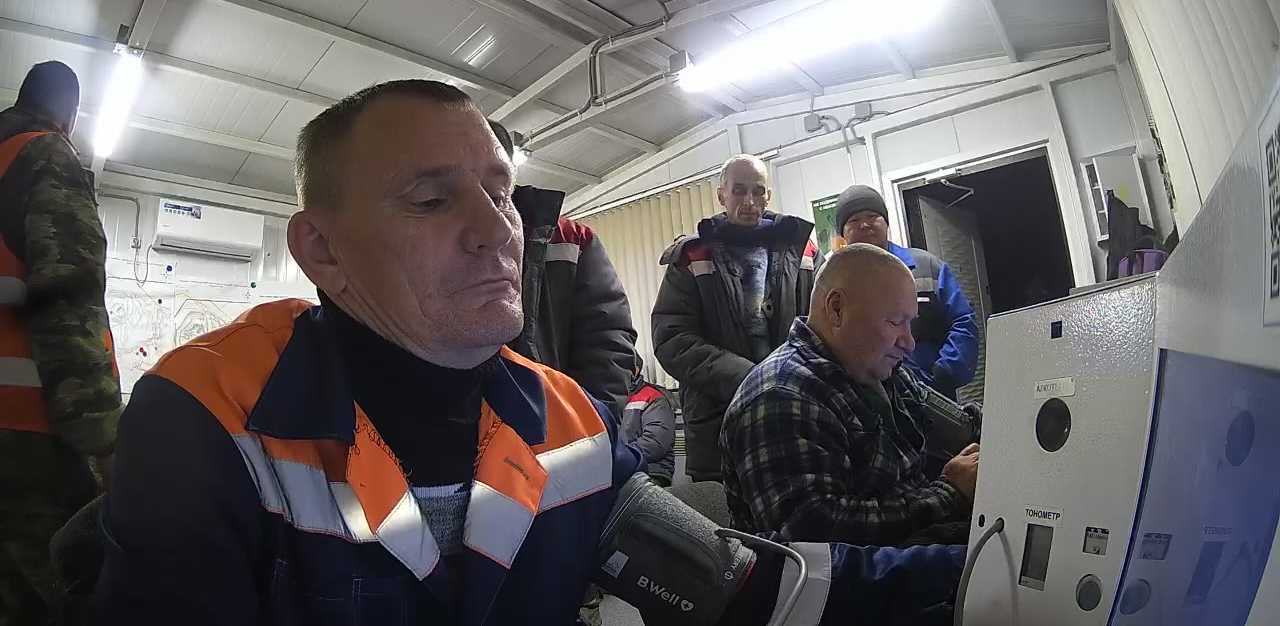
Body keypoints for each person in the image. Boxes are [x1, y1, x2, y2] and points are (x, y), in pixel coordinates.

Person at [92, 80, 970, 625]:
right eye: (431, 200)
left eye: (501, 192)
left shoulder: (568, 425)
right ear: (321, 250)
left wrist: (995, 571)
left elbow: (746, 587)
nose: (497, 230)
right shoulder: (210, 419)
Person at [720, 244, 980, 548]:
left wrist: (1006, 432)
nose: (909, 342)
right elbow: (817, 537)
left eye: (910, 323)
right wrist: (950, 496)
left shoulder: (879, 370)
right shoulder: (778, 397)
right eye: (895, 321)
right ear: (837, 309)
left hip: (912, 552)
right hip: (855, 575)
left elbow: (957, 425)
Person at [0, 61, 123, 625]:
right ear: (70, 114)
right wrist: (105, 442)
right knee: (62, 600)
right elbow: (67, 302)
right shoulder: (44, 155)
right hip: (30, 443)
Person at [652, 154, 821, 482]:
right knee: (724, 512)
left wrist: (792, 379)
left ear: (768, 195)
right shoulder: (693, 256)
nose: (749, 201)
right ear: (721, 195)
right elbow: (672, 339)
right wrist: (750, 378)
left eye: (757, 191)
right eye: (739, 190)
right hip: (719, 427)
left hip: (796, 419)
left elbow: (825, 326)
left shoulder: (805, 253)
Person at [488, 120, 636, 416]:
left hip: (558, 423)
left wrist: (590, 421)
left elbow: (607, 340)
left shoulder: (573, 240)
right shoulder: (431, 238)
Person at [835, 185, 979, 399]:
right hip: (869, 400)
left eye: (872, 216)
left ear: (886, 222)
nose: (864, 224)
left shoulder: (926, 267)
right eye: (854, 220)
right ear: (843, 234)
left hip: (933, 394)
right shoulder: (835, 281)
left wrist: (946, 371)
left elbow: (963, 320)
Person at [622, 357, 675, 487]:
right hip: (621, 470)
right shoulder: (610, 399)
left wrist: (618, 456)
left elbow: (655, 444)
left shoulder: (654, 397)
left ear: (635, 370)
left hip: (650, 471)